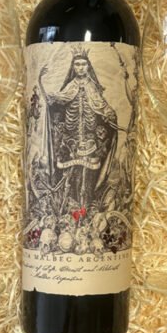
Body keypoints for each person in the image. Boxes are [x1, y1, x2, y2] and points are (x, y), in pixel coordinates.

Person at [39, 49, 117, 213]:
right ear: (73, 67)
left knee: (88, 174)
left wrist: (110, 114)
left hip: (89, 139)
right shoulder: (70, 86)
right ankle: (70, 208)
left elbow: (101, 105)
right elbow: (59, 99)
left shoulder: (92, 87)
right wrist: (44, 89)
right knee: (70, 174)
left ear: (88, 66)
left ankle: (86, 207)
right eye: (77, 64)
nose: (80, 68)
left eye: (83, 64)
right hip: (71, 139)